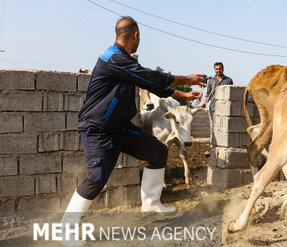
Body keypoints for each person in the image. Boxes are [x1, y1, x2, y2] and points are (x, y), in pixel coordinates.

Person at [62, 16, 206, 233]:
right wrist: (187, 78)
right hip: (99, 129)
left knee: (158, 151)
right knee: (96, 178)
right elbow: (150, 76)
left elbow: (152, 84)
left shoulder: (125, 61)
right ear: (136, 36)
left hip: (121, 128)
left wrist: (182, 94)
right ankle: (67, 229)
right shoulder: (113, 59)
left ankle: (151, 203)